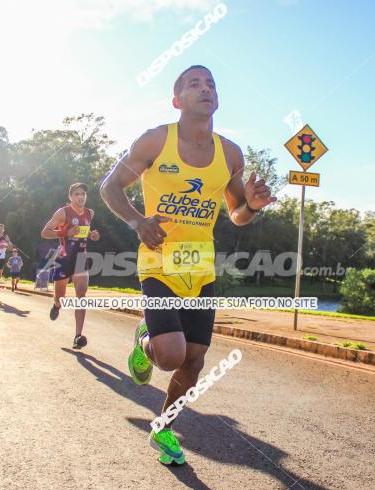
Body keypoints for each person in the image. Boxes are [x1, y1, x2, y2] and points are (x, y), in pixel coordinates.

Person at [99, 65, 275, 465]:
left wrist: (253, 205)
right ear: (177, 100)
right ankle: (146, 340)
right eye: (194, 84)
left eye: (211, 83)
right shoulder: (155, 141)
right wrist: (137, 222)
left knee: (194, 359)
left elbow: (237, 215)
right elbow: (109, 187)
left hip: (200, 268)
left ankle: (163, 428)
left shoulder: (230, 154)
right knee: (170, 356)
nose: (205, 88)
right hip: (159, 261)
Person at [40, 183, 100, 349]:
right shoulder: (63, 212)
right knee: (60, 295)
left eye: (83, 194)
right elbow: (44, 232)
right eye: (77, 194)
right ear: (70, 197)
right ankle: (57, 305)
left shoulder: (90, 213)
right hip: (64, 257)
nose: (81, 197)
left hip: (81, 256)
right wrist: (65, 233)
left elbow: (84, 231)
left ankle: (77, 336)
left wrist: (92, 235)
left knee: (81, 293)